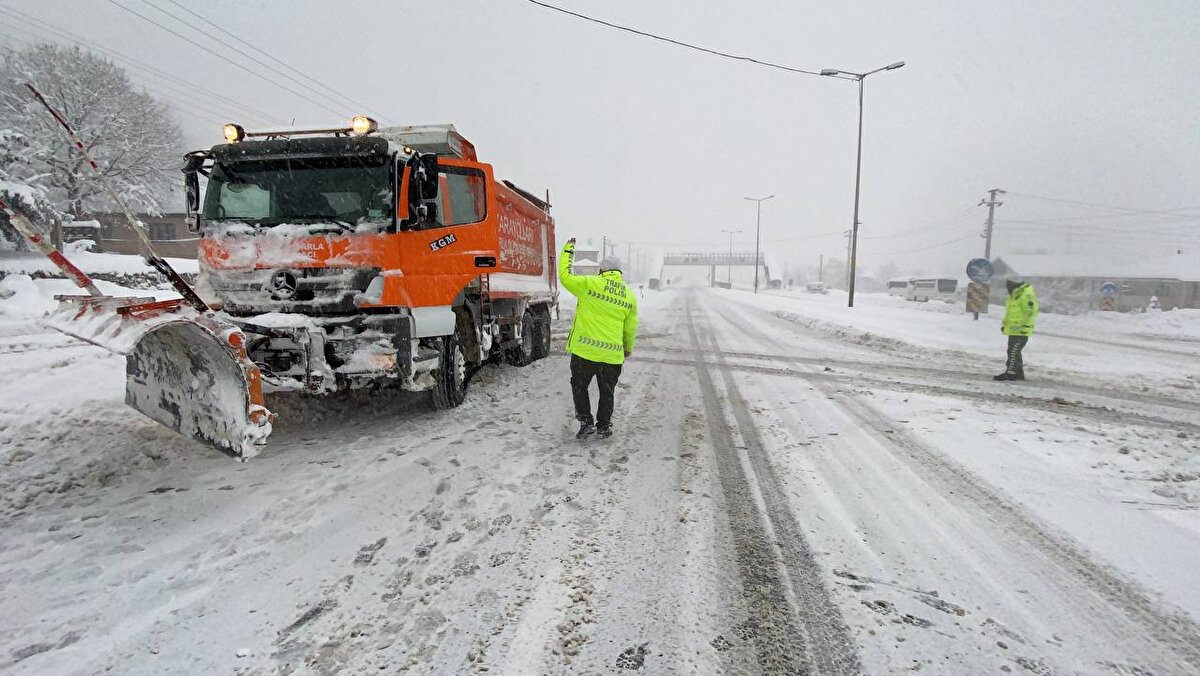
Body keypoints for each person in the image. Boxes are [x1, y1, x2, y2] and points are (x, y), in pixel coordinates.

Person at [559, 238, 638, 439]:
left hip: (584, 352)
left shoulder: (589, 284)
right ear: (619, 273)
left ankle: (586, 422)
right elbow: (630, 328)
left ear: (601, 271)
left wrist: (568, 250)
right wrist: (627, 349)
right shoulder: (629, 295)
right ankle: (604, 426)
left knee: (579, 385)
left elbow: (565, 276)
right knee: (607, 391)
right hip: (612, 356)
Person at [995, 278, 1038, 381]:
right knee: (1012, 350)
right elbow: (1011, 313)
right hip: (1014, 330)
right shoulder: (1014, 296)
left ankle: (1012, 372)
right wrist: (1005, 325)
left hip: (1021, 330)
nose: (1007, 289)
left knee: (1014, 350)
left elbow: (1030, 312)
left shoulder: (1024, 295)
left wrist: (1023, 326)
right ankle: (1018, 372)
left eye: (1008, 286)